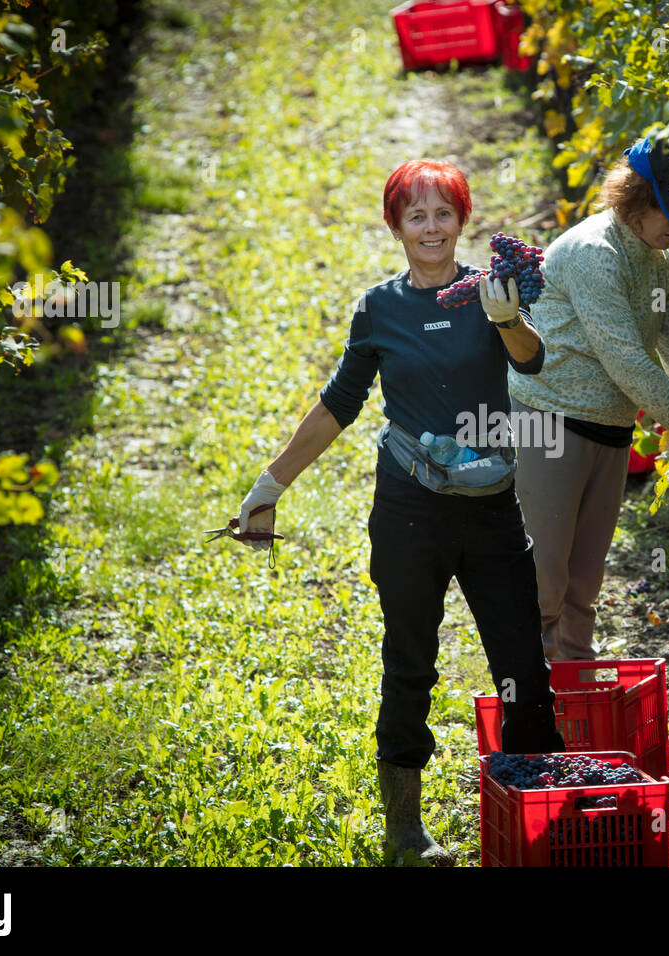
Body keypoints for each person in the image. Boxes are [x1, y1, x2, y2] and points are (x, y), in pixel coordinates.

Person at [231, 159, 565, 866]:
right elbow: (338, 405)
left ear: (462, 219)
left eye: (444, 213)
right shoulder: (379, 309)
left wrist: (507, 320)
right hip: (410, 511)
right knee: (409, 663)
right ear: (396, 226)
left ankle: (537, 831)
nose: (432, 227)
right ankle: (405, 833)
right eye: (417, 215)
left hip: (490, 509)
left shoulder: (488, 291)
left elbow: (532, 362)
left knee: (523, 668)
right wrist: (271, 482)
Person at [508, 134, 669, 662]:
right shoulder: (592, 254)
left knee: (584, 582)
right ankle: (525, 698)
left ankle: (574, 691)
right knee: (544, 579)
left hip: (610, 431)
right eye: (665, 212)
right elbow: (625, 357)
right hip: (552, 424)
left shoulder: (661, 261)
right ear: (634, 198)